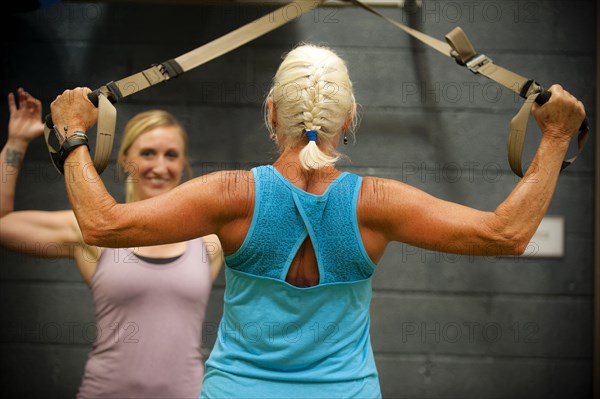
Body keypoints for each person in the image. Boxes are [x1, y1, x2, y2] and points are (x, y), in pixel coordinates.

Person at [47, 43, 586, 398]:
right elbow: (509, 234)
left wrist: (73, 135)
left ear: (271, 112)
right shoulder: (377, 202)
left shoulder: (232, 193)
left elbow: (101, 224)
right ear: (349, 118)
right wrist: (557, 135)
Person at [0, 88, 224, 398]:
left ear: (183, 163)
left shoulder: (209, 240)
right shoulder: (93, 232)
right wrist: (16, 142)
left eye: (171, 155)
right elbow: (3, 224)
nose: (160, 166)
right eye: (148, 153)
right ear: (125, 159)